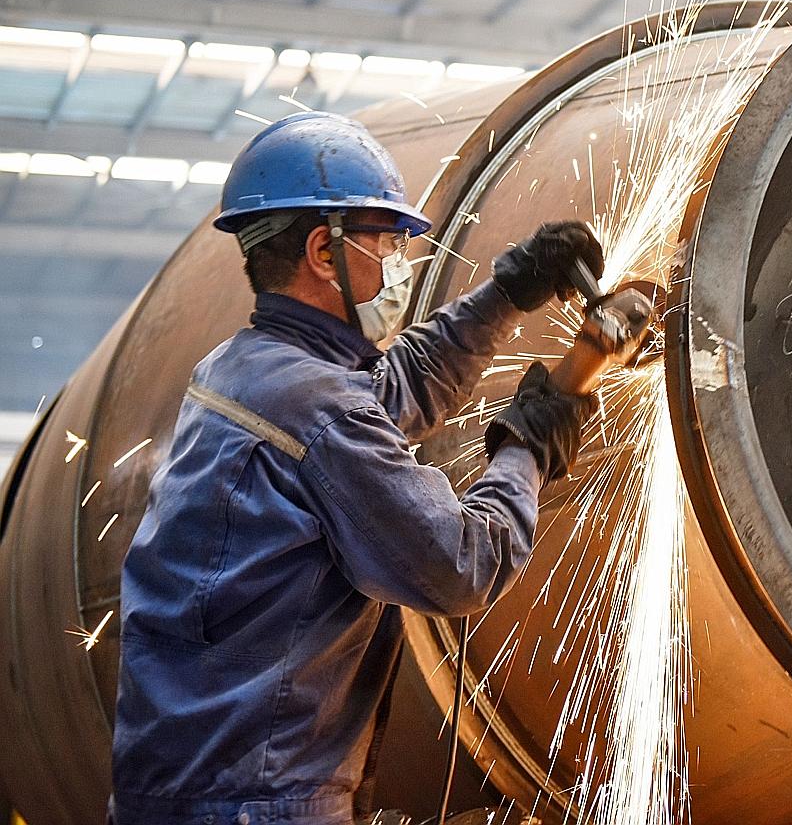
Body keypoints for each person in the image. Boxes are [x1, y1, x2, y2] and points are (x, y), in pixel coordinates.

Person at [111, 111, 613, 825]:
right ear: (325, 251)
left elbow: (387, 392)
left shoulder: (241, 370)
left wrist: (509, 293)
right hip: (259, 806)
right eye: (387, 243)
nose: (399, 264)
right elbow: (460, 563)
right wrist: (534, 438)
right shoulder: (314, 407)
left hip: (180, 794)